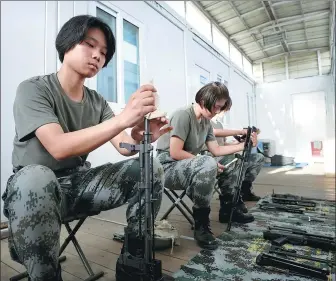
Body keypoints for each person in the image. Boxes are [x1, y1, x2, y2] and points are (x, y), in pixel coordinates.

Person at [2, 15, 171, 281]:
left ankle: (134, 263)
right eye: (88, 44)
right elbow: (57, 147)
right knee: (36, 176)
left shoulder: (97, 102)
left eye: (103, 52)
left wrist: (141, 137)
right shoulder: (33, 89)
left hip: (78, 185)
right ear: (66, 44)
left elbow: (124, 147)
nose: (97, 56)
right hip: (34, 192)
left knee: (149, 167)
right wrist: (123, 118)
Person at [156, 82, 257, 250]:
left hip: (190, 164)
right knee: (208, 162)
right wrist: (206, 163)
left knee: (232, 159)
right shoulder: (183, 115)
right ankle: (201, 225)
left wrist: (245, 145)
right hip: (167, 167)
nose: (217, 111)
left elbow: (216, 150)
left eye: (221, 108)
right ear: (203, 100)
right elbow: (175, 152)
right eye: (216, 107)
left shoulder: (206, 122)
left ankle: (228, 208)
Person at [207, 110, 264, 202]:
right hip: (211, 157)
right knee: (236, 160)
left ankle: (244, 191)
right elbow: (214, 133)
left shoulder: (219, 124)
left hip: (223, 154)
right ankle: (230, 198)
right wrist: (241, 132)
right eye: (222, 108)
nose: (224, 112)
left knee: (258, 158)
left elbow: (223, 144)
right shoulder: (206, 122)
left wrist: (240, 143)